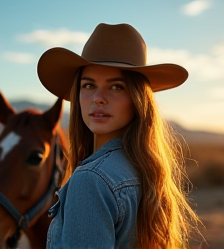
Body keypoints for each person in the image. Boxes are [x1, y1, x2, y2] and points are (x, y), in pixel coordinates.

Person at [37, 23, 202, 249]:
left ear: (138, 100)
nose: (98, 98)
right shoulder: (146, 170)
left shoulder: (91, 180)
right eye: (88, 85)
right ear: (77, 94)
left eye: (116, 87)